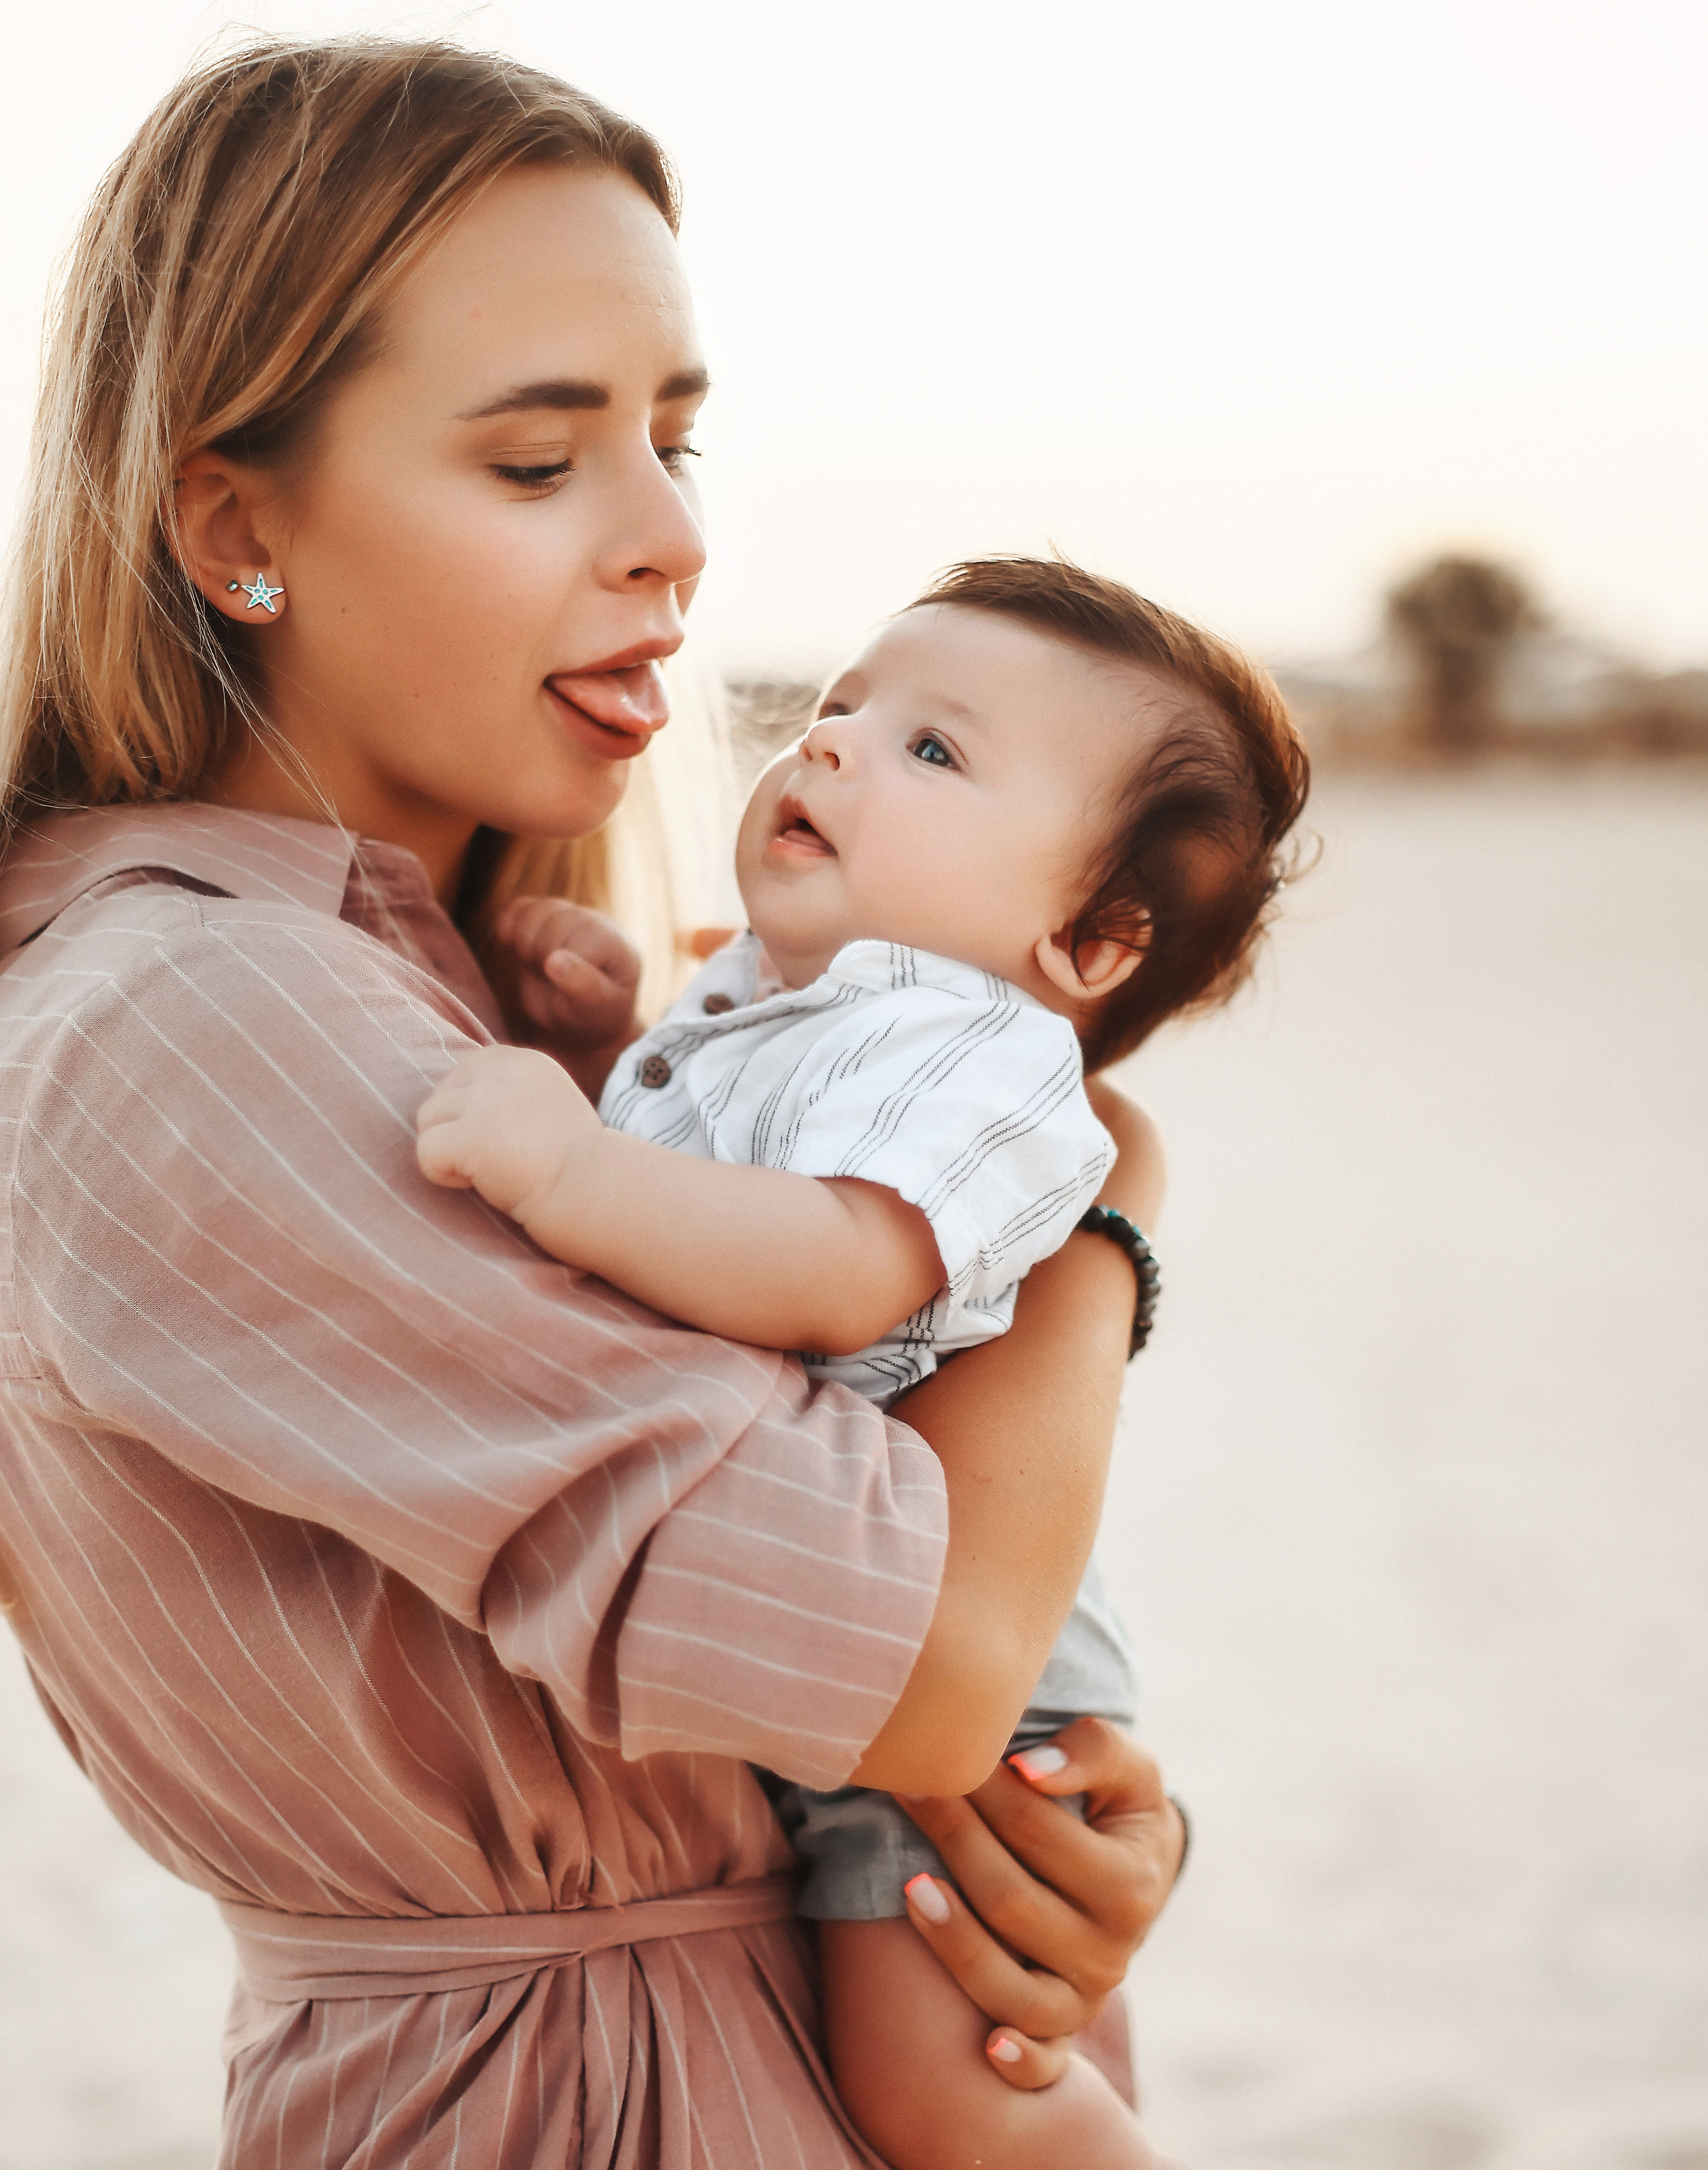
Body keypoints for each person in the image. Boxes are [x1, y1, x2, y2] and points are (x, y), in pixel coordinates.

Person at [0, 37, 1192, 2169]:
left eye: (676, 439)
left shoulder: (472, 999)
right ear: (235, 526)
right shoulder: (199, 1019)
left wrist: (1034, 1841)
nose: (671, 540)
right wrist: (1097, 1217)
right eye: (542, 464)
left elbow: (880, 1697)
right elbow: (918, 1653)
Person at [416, 558, 1309, 2167]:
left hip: (973, 1660)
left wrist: (574, 1173)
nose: (828, 746)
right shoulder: (801, 993)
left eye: (933, 752)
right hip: (851, 1611)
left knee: (938, 2085)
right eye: (841, 707)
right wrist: (605, 1042)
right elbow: (725, 1162)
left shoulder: (977, 1055)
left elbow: (831, 1267)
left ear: (1091, 942)